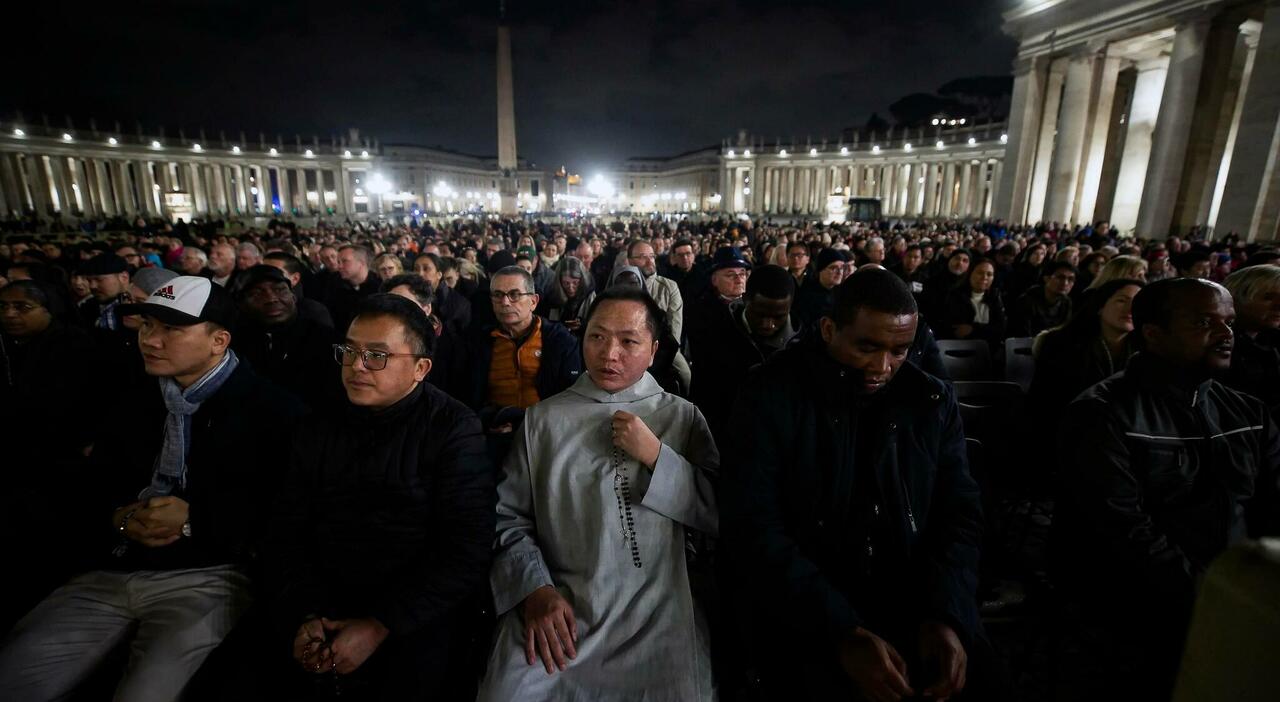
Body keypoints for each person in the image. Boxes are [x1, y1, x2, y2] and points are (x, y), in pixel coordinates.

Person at [0, 276, 305, 701]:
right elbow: (93, 485)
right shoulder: (133, 399)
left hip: (210, 575)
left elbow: (286, 515)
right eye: (146, 326)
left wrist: (195, 522)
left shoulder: (275, 412)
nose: (151, 340)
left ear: (219, 340)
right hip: (112, 567)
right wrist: (118, 517)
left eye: (171, 330)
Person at [721, 269, 991, 701]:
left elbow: (958, 515)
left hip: (912, 597)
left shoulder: (930, 401)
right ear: (829, 330)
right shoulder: (772, 393)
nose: (882, 367)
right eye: (867, 347)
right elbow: (754, 527)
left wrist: (948, 614)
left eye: (900, 351)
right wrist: (840, 630)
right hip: (805, 605)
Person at [478, 287, 718, 701]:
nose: (609, 354)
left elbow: (716, 511)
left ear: (653, 348)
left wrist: (658, 456)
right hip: (563, 604)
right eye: (597, 337)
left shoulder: (680, 415)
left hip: (658, 606)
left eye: (628, 341)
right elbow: (508, 517)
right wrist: (534, 591)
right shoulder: (543, 420)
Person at [251, 294, 494, 700]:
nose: (356, 366)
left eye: (377, 356)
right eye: (349, 351)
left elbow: (464, 548)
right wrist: (306, 613)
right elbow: (285, 528)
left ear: (420, 368)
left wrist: (380, 624)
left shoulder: (453, 429)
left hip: (413, 611)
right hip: (319, 598)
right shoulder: (318, 423)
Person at [1053, 277, 1280, 700]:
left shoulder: (1248, 412)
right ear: (1154, 334)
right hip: (1137, 591)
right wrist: (1217, 596)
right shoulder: (1102, 414)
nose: (1226, 334)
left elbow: (1273, 506)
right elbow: (1122, 531)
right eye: (1204, 322)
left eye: (1228, 322)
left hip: (1234, 582)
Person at [0, 280, 103, 629]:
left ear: (49, 309)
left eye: (22, 307)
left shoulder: (72, 344)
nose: (10, 314)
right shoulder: (10, 345)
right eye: (4, 307)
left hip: (59, 462)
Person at [465, 266, 582, 453]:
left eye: (514, 295)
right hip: (492, 435)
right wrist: (487, 421)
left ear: (534, 301)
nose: (505, 302)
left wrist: (527, 424)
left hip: (547, 436)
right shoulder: (477, 343)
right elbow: (467, 396)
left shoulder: (561, 341)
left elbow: (571, 396)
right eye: (498, 295)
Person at [689, 264, 796, 448]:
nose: (768, 324)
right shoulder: (714, 336)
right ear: (746, 299)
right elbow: (702, 402)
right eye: (760, 315)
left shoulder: (798, 349)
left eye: (778, 317)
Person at [1029, 278, 1144, 435]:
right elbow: (1049, 403)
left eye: (1138, 303)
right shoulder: (1063, 344)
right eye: (1122, 301)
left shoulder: (1146, 349)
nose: (1130, 309)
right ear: (1100, 307)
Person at [232, 265, 340, 410]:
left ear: (293, 296)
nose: (271, 299)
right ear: (241, 304)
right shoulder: (231, 344)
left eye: (280, 290)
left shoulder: (326, 341)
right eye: (257, 294)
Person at [382, 274, 464, 399]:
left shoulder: (452, 343)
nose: (396, 311)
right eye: (390, 305)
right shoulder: (380, 340)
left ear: (427, 308)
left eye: (405, 304)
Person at [1223, 264, 1280, 413]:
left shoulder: (1271, 338)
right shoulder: (1221, 343)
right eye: (1268, 297)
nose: (1278, 306)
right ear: (1235, 299)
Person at [686, 246, 751, 363]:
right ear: (714, 280)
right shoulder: (700, 311)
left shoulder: (755, 305)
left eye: (742, 274)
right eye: (730, 275)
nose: (739, 279)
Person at [940, 258, 1006, 349]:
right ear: (970, 273)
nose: (985, 277)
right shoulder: (954, 296)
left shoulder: (995, 297)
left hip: (990, 350)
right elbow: (959, 331)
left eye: (989, 274)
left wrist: (973, 329)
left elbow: (1001, 329)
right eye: (980, 273)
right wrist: (986, 330)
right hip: (960, 349)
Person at [628, 240, 685, 342]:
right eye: (642, 257)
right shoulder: (621, 288)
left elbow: (675, 330)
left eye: (651, 256)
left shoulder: (669, 287)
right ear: (630, 261)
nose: (649, 261)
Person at [262, 251, 335, 328]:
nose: (265, 278)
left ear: (295, 278)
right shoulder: (253, 306)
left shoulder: (313, 311)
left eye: (275, 273)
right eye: (262, 272)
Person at [325, 244, 383, 336]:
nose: (339, 266)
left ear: (362, 263)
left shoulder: (381, 286)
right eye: (338, 262)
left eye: (345, 261)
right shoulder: (334, 284)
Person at [1009, 261, 1076, 337]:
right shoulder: (1027, 301)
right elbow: (1022, 336)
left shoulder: (1066, 302)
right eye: (1060, 277)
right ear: (1046, 278)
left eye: (1070, 279)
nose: (1065, 283)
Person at [792, 248, 851, 332]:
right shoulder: (806, 296)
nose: (839, 272)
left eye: (842, 267)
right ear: (821, 270)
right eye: (833, 268)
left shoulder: (842, 292)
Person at [413, 252, 471, 335]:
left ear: (439, 274)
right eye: (416, 269)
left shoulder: (459, 304)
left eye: (426, 269)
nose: (420, 273)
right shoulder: (408, 297)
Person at [538, 254, 595, 333]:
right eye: (566, 283)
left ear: (582, 281)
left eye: (575, 283)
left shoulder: (590, 295)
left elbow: (596, 324)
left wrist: (583, 325)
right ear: (559, 282)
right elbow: (546, 321)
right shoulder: (552, 295)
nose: (571, 287)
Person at [76, 253, 131, 331]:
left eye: (99, 280)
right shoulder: (86, 309)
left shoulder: (140, 309)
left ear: (124, 277)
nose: (92, 286)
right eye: (89, 280)